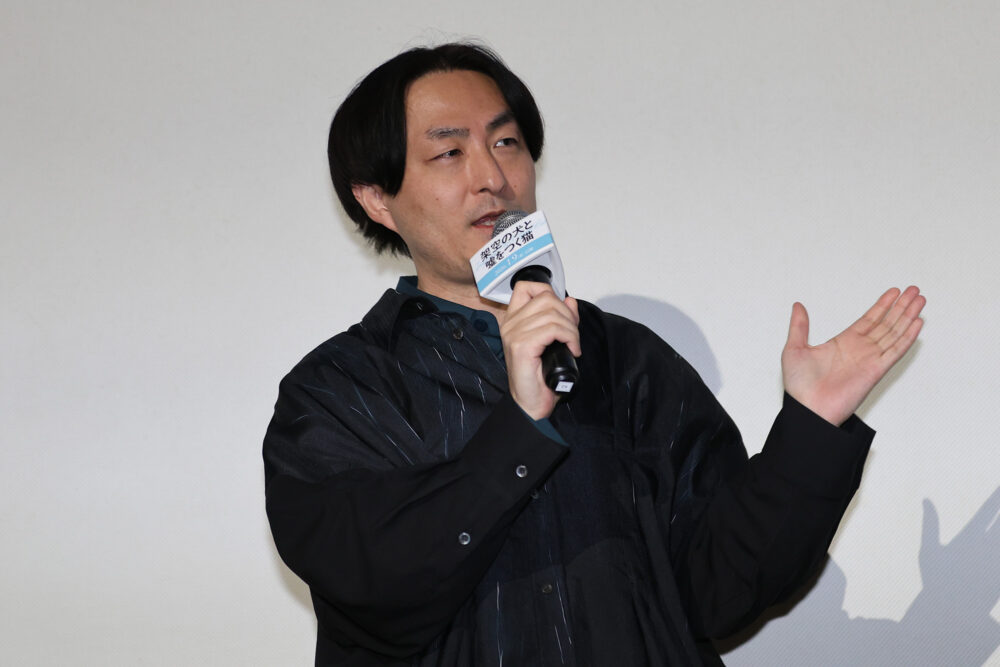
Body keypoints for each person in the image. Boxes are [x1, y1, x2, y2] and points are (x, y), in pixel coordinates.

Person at [263, 43, 925, 666]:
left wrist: (811, 430)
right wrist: (519, 426)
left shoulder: (624, 359)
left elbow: (720, 591)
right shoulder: (336, 393)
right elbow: (378, 591)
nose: (492, 177)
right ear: (377, 199)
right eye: (449, 153)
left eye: (506, 143)